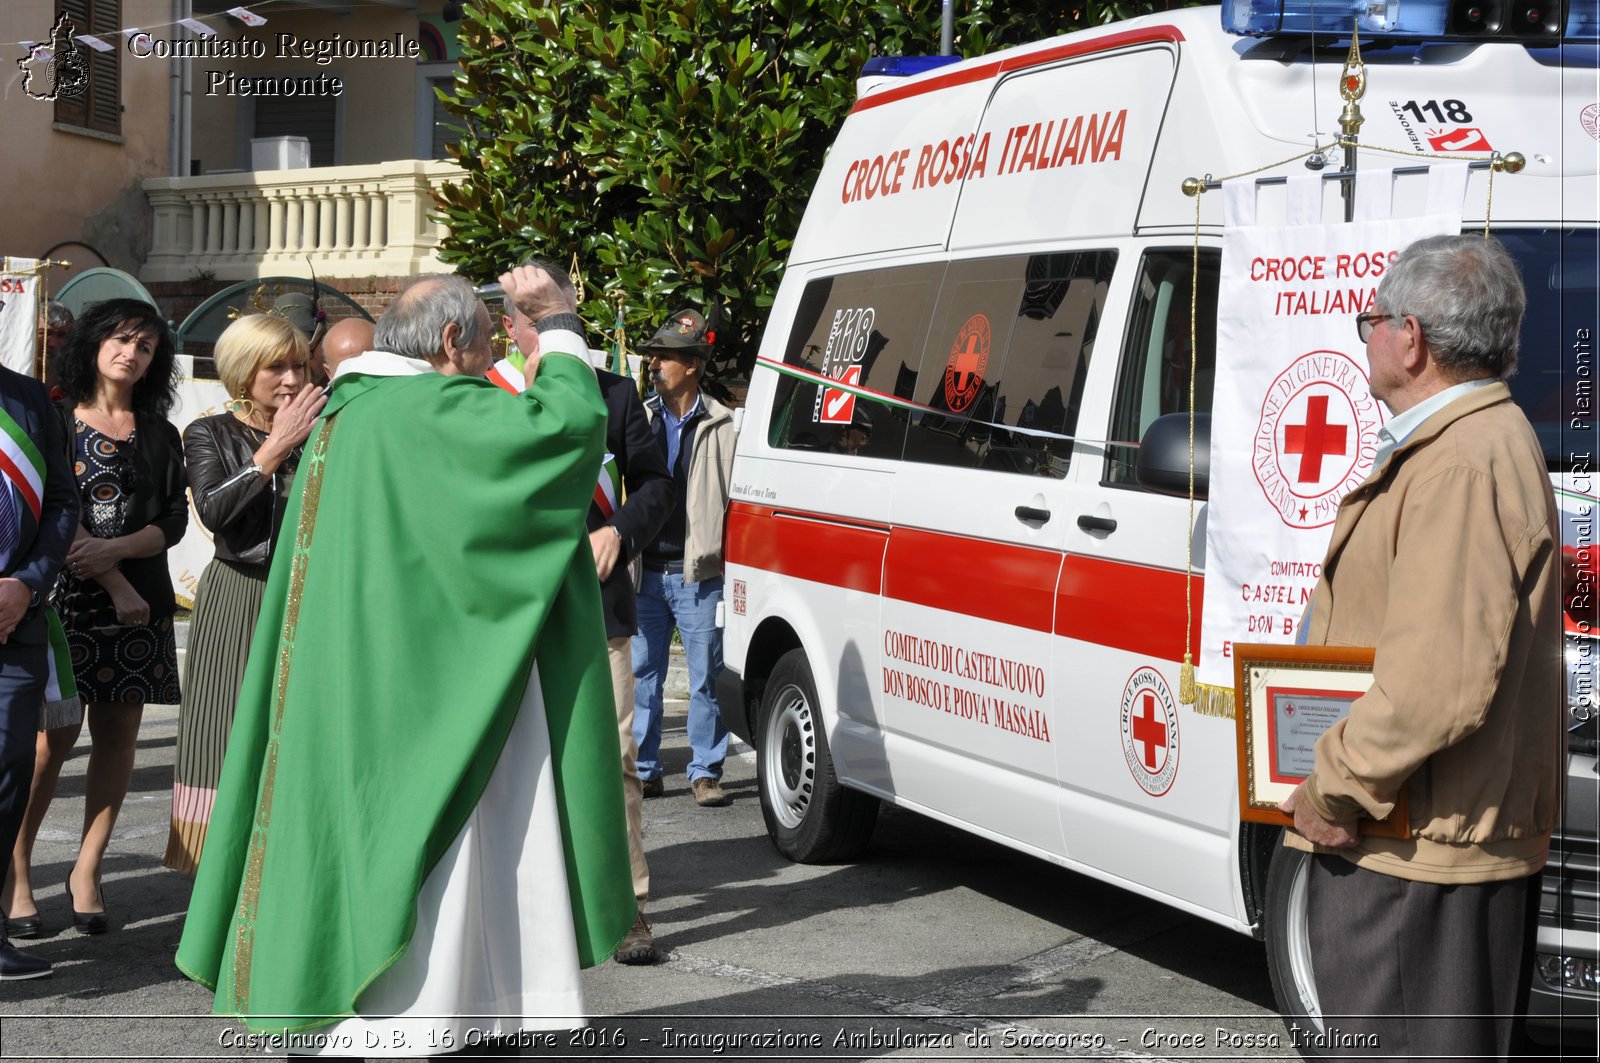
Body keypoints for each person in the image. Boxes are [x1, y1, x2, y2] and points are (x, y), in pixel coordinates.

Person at [176, 268, 634, 1052]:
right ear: (453, 342)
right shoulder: (431, 410)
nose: (491, 363)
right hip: (434, 690)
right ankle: (440, 1018)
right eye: (486, 345)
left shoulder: (343, 416)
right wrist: (557, 325)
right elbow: (562, 435)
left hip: (353, 683)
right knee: (450, 866)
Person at [1279, 235, 1563, 1058]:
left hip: (1417, 852)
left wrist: (1332, 787)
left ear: (1411, 339)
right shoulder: (1466, 444)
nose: (1363, 335)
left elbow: (1436, 686)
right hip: (1425, 838)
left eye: (1369, 319)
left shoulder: (1461, 463)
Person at [500, 274, 672, 965]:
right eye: (527, 319)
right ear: (507, 326)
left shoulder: (613, 394)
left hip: (599, 609)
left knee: (616, 757)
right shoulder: (488, 397)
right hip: (511, 616)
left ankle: (627, 903)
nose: (538, 332)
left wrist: (621, 530)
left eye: (550, 318)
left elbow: (659, 482)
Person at [5, 298, 186, 938]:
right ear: (93, 344)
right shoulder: (52, 415)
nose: (130, 352)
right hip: (62, 603)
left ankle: (87, 870)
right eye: (119, 338)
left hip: (140, 609)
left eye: (143, 344)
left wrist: (119, 553)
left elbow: (172, 521)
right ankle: (19, 875)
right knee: (50, 743)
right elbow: (56, 511)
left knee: (120, 738)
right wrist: (106, 572)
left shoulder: (158, 430)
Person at [163, 314, 326, 875]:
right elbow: (213, 511)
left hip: (311, 594)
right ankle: (214, 874)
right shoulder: (209, 432)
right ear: (241, 372)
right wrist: (276, 446)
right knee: (222, 728)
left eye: (298, 365)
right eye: (274, 366)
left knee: (301, 731)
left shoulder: (326, 428)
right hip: (240, 593)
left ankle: (286, 867)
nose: (290, 378)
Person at [632, 309, 736, 808]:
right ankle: (646, 770)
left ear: (692, 364)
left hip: (699, 573)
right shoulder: (641, 419)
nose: (654, 364)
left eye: (665, 357)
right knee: (642, 674)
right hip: (646, 569)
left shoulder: (724, 425)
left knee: (705, 677)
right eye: (653, 356)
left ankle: (705, 772)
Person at [0, 361, 78, 977]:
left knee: (6, 778)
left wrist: (26, 586)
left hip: (14, 624)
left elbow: (60, 503)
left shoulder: (29, 398)